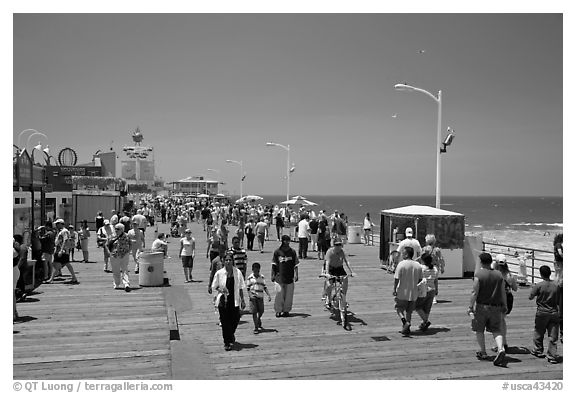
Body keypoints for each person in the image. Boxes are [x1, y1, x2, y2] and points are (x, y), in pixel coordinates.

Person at [468, 252, 507, 367]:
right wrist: (505, 305)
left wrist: (470, 306)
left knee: (479, 330)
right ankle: (501, 348)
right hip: (496, 306)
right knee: (496, 330)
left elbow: (475, 292)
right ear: (491, 262)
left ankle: (483, 352)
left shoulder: (479, 274)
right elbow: (502, 292)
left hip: (482, 306)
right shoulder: (499, 275)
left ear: (481, 262)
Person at [211, 251, 247, 351]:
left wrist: (242, 300)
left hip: (234, 300)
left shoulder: (237, 272)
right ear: (223, 261)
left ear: (232, 261)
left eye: (230, 260)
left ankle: (231, 335)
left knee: (235, 319)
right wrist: (220, 289)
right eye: (226, 260)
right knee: (225, 322)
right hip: (223, 300)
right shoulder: (219, 273)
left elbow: (240, 287)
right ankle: (227, 342)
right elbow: (214, 286)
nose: (228, 262)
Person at [529, 265, 561, 363]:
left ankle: (538, 350)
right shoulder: (556, 286)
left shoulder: (539, 285)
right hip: (554, 312)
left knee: (539, 331)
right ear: (550, 273)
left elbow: (530, 296)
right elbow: (559, 300)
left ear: (541, 274)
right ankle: (551, 355)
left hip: (542, 312)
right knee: (553, 335)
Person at [393, 247, 423, 336]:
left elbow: (396, 279)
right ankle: (407, 328)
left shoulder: (401, 264)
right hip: (414, 292)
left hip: (403, 291)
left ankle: (404, 322)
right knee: (409, 311)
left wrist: (394, 289)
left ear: (406, 254)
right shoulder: (417, 265)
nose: (402, 254)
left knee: (398, 308)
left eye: (403, 253)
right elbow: (420, 279)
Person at [491, 254, 517, 352]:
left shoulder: (494, 275)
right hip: (508, 299)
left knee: (499, 322)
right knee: (502, 321)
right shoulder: (510, 275)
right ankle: (504, 343)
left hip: (498, 300)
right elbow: (515, 288)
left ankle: (501, 345)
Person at [323, 237, 355, 310]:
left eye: (339, 245)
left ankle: (343, 298)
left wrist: (352, 272)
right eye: (336, 245)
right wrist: (327, 273)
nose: (338, 246)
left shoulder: (342, 252)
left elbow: (347, 262)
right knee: (329, 285)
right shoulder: (330, 252)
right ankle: (329, 298)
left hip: (339, 268)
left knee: (345, 279)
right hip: (331, 268)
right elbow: (327, 263)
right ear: (333, 245)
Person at [271, 235, 299, 317]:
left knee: (289, 295)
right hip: (279, 276)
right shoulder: (277, 252)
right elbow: (274, 264)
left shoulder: (292, 252)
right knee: (279, 293)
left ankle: (286, 310)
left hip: (290, 276)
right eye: (285, 240)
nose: (287, 242)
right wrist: (272, 274)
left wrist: (296, 274)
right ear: (282, 241)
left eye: (288, 240)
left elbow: (296, 264)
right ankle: (278, 310)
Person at [46, 219, 79, 284]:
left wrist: (61, 250)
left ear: (61, 224)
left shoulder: (64, 231)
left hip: (61, 251)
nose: (56, 225)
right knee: (65, 264)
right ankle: (74, 277)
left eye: (57, 224)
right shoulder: (61, 231)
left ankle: (51, 279)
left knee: (56, 264)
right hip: (62, 250)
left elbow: (65, 240)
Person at [414, 252, 438, 332]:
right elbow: (436, 281)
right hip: (432, 290)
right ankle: (424, 323)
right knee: (427, 308)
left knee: (417, 306)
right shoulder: (435, 269)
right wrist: (437, 290)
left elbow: (413, 262)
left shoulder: (421, 268)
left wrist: (418, 258)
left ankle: (426, 321)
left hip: (423, 289)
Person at [246, 262, 272, 334]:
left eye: (258, 271)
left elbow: (265, 287)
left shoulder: (262, 277)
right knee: (254, 312)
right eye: (255, 270)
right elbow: (248, 288)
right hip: (253, 297)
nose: (256, 272)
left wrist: (269, 295)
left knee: (261, 311)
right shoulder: (250, 278)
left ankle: (258, 319)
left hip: (260, 296)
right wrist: (250, 295)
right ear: (252, 270)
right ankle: (256, 327)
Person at [108, 223, 132, 292]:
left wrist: (128, 252)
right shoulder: (112, 236)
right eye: (115, 228)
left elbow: (130, 244)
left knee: (125, 269)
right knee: (116, 270)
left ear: (122, 230)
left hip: (124, 255)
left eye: (118, 229)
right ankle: (116, 283)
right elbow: (107, 244)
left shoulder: (127, 236)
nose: (116, 230)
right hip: (114, 255)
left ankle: (126, 284)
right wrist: (109, 252)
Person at [422, 234, 444, 303]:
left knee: (425, 281)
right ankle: (434, 296)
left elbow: (421, 258)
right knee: (435, 281)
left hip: (426, 267)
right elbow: (441, 259)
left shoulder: (425, 249)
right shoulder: (437, 249)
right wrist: (442, 267)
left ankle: (425, 295)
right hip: (435, 267)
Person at [552, 233, 563, 343]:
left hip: (557, 263)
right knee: (560, 276)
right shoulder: (559, 245)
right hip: (560, 263)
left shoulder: (556, 244)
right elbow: (560, 253)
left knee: (557, 276)